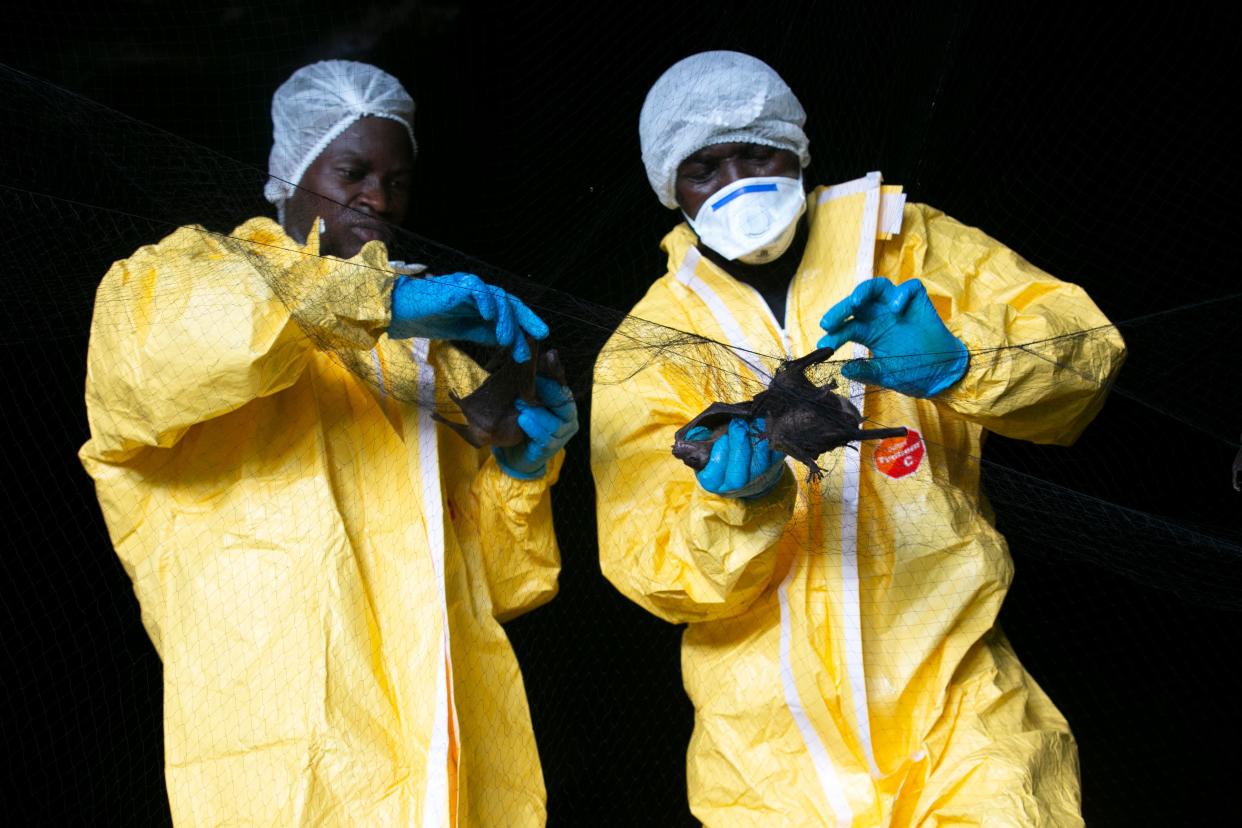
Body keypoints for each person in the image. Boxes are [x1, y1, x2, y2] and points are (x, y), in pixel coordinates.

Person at [592, 51, 1125, 826]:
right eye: (704, 168)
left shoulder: (905, 245)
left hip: (958, 703)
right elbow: (654, 569)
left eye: (757, 153)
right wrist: (741, 505)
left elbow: (1084, 352)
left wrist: (965, 361)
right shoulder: (646, 349)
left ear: (798, 151)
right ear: (668, 188)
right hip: (771, 759)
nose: (736, 184)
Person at [79, 60, 576, 826]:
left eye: (398, 180)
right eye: (353, 171)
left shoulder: (424, 359)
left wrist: (516, 463)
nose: (378, 198)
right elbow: (177, 356)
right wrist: (380, 299)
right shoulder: (180, 277)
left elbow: (500, 590)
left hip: (443, 766)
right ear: (293, 166)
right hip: (281, 763)